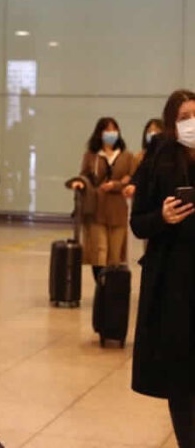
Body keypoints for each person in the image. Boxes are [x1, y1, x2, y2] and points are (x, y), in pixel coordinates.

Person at [131, 89, 195, 448]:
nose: (192, 123)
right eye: (184, 117)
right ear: (172, 124)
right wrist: (163, 217)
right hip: (172, 281)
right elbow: (139, 223)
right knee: (179, 372)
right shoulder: (158, 160)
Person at [70, 117, 133, 281]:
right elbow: (84, 175)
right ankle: (101, 285)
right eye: (107, 130)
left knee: (115, 253)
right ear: (99, 133)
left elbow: (132, 179)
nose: (111, 133)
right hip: (97, 207)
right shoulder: (92, 156)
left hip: (118, 209)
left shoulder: (127, 156)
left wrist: (117, 185)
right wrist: (80, 182)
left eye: (114, 129)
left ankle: (111, 288)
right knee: (99, 250)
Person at [123, 118, 165, 199]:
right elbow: (137, 175)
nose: (152, 134)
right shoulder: (141, 156)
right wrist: (132, 185)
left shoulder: (167, 154)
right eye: (149, 131)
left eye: (156, 130)